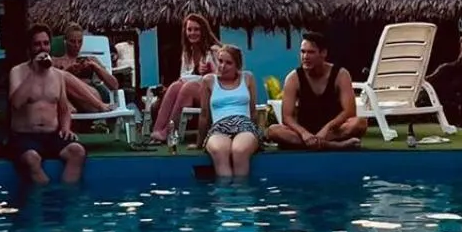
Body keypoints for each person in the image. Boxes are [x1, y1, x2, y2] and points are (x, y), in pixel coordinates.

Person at [8, 27, 87, 185]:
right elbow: (15, 103)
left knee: (77, 152)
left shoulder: (58, 75)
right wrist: (34, 73)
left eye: (45, 43)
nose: (42, 48)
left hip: (52, 135)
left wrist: (66, 128)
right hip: (25, 135)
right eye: (37, 44)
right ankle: (46, 198)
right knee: (32, 158)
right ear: (30, 48)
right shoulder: (17, 71)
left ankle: (66, 198)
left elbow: (64, 109)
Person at [266, 32, 368, 151]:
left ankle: (313, 144)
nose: (305, 57)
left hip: (332, 131)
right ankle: (333, 146)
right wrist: (304, 133)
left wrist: (327, 128)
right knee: (273, 131)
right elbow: (287, 117)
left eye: (311, 52)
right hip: (305, 133)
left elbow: (349, 111)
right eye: (303, 52)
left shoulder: (341, 74)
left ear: (323, 53)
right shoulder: (293, 78)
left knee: (360, 123)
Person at [148, 13, 222, 143]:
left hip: (214, 93)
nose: (192, 33)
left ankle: (168, 132)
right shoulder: (188, 52)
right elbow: (185, 75)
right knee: (175, 85)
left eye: (196, 29)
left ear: (203, 31)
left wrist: (210, 72)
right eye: (189, 29)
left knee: (189, 87)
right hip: (196, 91)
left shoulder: (215, 51)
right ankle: (157, 131)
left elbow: (224, 79)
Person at [198, 44, 262, 178]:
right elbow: (204, 115)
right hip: (219, 126)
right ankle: (225, 195)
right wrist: (199, 142)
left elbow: (253, 111)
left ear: (237, 66)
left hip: (244, 124)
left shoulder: (247, 78)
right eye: (220, 61)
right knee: (220, 151)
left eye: (228, 63)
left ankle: (242, 195)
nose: (222, 66)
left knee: (239, 150)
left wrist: (258, 134)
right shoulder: (209, 80)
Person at [53, 24, 120, 113]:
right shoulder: (56, 61)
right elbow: (49, 84)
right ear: (65, 41)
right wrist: (68, 72)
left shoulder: (90, 60)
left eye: (80, 41)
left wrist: (96, 67)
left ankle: (97, 105)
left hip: (92, 100)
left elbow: (114, 85)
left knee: (63, 77)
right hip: (66, 100)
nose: (76, 45)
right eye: (72, 41)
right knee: (61, 77)